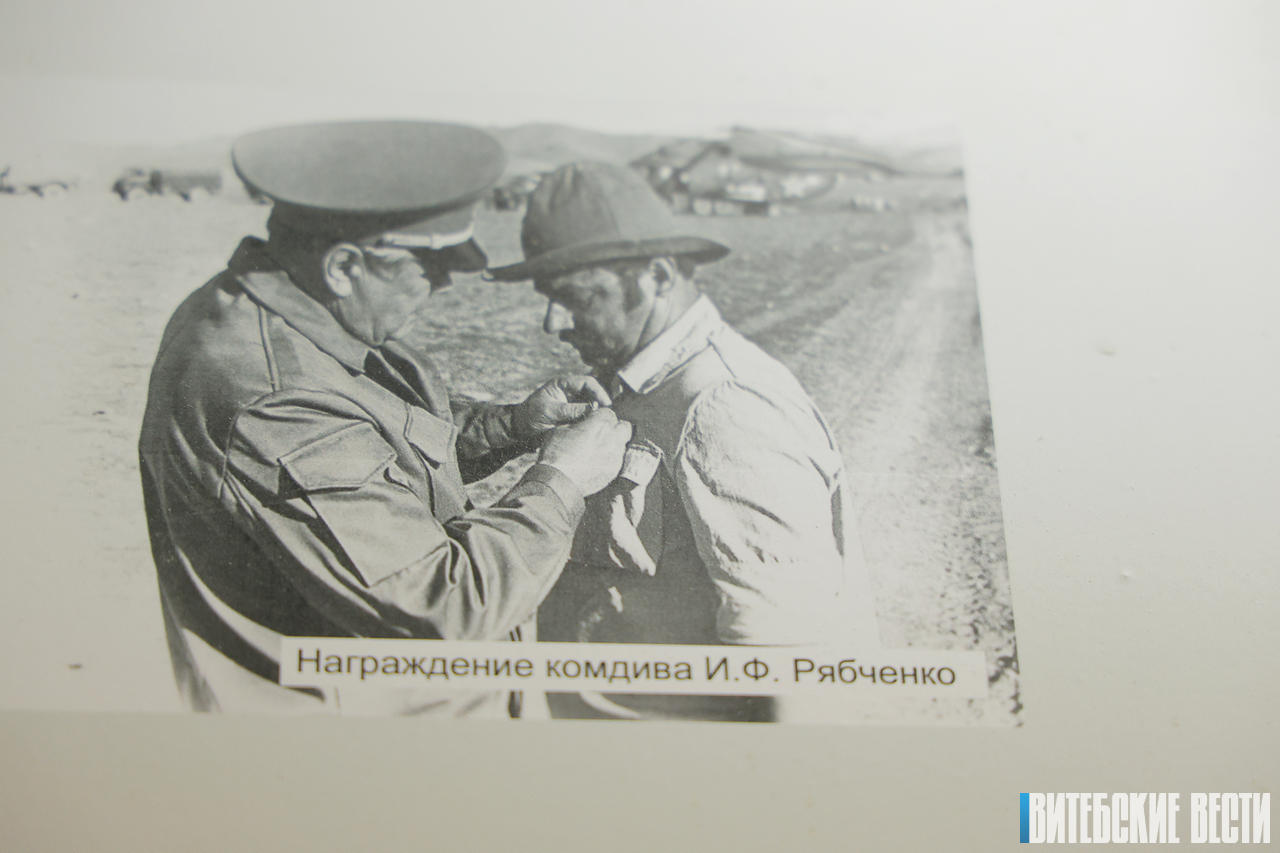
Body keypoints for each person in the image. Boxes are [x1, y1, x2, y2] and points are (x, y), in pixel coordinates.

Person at [139, 122, 631, 717]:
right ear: (344, 266)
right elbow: (447, 606)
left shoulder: (293, 315)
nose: (446, 281)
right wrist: (561, 482)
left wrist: (513, 427)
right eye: (433, 261)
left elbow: (375, 444)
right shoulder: (272, 399)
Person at [487, 162, 878, 722]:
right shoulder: (641, 378)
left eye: (574, 297)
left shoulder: (727, 404)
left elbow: (791, 667)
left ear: (659, 276)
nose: (553, 323)